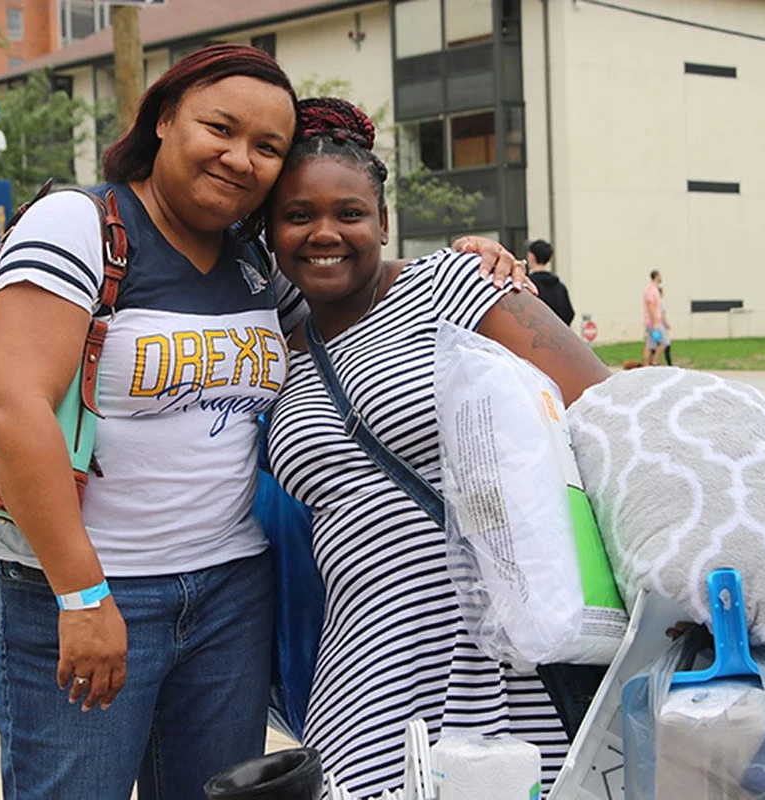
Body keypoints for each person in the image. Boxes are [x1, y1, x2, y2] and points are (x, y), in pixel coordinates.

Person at [0, 45, 527, 800]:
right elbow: (12, 408)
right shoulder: (79, 224)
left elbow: (350, 310)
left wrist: (461, 263)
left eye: (267, 147)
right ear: (165, 118)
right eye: (220, 129)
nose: (241, 159)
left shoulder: (254, 263)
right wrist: (81, 595)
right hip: (94, 588)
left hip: (230, 593)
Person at [265, 99, 612, 797]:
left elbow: (602, 410)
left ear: (384, 222)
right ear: (270, 230)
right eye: (298, 215)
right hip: (364, 664)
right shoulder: (272, 349)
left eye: (350, 213)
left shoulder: (450, 286)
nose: (324, 232)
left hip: (507, 651)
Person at [526, 238, 574, 326]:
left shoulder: (528, 286)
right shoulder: (559, 286)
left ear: (531, 256)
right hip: (557, 335)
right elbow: (569, 314)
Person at [642, 269, 664, 365]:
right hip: (653, 322)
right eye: (660, 275)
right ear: (656, 276)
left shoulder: (655, 288)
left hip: (653, 322)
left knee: (650, 344)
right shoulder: (651, 290)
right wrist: (655, 322)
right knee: (663, 342)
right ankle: (654, 361)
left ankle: (647, 364)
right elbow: (650, 305)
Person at [658, 285, 673, 366]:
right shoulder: (658, 303)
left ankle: (655, 362)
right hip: (660, 327)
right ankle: (668, 364)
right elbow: (662, 315)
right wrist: (666, 324)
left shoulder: (656, 303)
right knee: (665, 343)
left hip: (656, 327)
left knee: (658, 344)